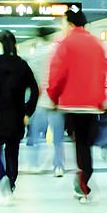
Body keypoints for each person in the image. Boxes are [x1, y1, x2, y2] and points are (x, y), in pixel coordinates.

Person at [47, 8, 107, 202]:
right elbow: (103, 74)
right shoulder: (97, 44)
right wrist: (100, 99)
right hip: (92, 103)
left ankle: (83, 181)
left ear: (70, 24)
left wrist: (53, 97)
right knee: (85, 143)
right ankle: (84, 177)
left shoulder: (66, 44)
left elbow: (57, 75)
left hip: (72, 104)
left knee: (80, 143)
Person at [0, 30, 39, 204]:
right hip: (17, 118)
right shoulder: (22, 65)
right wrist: (27, 112)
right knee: (12, 153)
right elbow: (34, 90)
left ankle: (2, 178)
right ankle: (11, 183)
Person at [25, 26, 66, 176]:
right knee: (58, 137)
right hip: (56, 100)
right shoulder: (58, 52)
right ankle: (58, 166)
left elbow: (31, 79)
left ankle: (34, 164)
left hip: (40, 100)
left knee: (35, 134)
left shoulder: (35, 54)